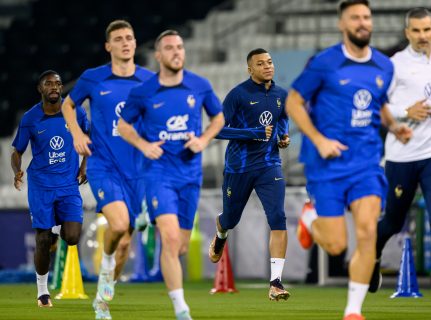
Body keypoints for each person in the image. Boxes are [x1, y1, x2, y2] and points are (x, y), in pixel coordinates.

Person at [286, 1, 412, 319]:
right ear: (342, 24)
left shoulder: (384, 66)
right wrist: (319, 140)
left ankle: (353, 311)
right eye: (355, 17)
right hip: (327, 164)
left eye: (366, 17)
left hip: (366, 162)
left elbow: (379, 103)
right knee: (337, 246)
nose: (362, 22)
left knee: (369, 231)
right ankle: (310, 220)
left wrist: (394, 126)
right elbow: (294, 101)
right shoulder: (324, 63)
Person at [368, 8, 431, 318]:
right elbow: (378, 105)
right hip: (401, 157)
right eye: (416, 31)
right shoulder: (394, 65)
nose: (422, 36)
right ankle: (371, 254)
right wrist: (404, 113)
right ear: (407, 33)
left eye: (427, 30)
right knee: (393, 222)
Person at [117, 29, 224, 320]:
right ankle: (181, 309)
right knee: (169, 237)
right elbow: (123, 126)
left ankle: (149, 226)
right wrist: (143, 145)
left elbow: (219, 117)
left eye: (180, 47)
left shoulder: (198, 85)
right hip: (158, 173)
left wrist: (203, 140)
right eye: (170, 48)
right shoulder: (143, 91)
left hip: (190, 175)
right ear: (158, 55)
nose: (177, 52)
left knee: (179, 247)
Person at [61, 20, 154, 319]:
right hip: (104, 166)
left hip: (137, 171)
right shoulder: (93, 78)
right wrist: (76, 133)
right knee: (117, 226)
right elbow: (67, 105)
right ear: (108, 46)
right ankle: (104, 278)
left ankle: (102, 298)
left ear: (136, 43)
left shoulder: (149, 80)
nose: (125, 42)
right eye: (119, 38)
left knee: (126, 241)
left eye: (130, 37)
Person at [207, 48, 291, 301]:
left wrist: (283, 135)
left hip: (269, 164)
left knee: (278, 217)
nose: (267, 67)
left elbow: (282, 119)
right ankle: (222, 229)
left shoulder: (280, 94)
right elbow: (216, 129)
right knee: (231, 219)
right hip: (239, 168)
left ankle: (276, 282)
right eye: (260, 63)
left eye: (269, 62)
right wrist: (251, 133)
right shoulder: (238, 95)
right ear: (250, 69)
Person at [11, 70, 89, 307]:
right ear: (40, 89)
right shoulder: (30, 118)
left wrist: (85, 165)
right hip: (41, 186)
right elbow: (17, 152)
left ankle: (57, 230)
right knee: (42, 240)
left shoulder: (75, 111)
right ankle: (42, 292)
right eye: (49, 84)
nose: (55, 87)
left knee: (73, 237)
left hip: (68, 184)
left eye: (58, 83)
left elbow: (88, 136)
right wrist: (17, 171)